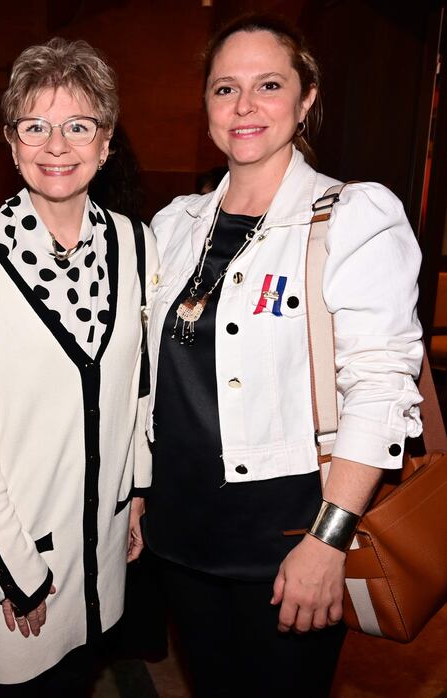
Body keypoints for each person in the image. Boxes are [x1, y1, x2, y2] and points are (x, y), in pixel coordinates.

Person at [144, 14, 423, 698]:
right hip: (180, 537)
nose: (243, 107)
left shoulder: (351, 216)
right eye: (224, 89)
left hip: (288, 540)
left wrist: (329, 540)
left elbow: (382, 389)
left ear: (305, 99)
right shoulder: (172, 226)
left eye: (268, 85)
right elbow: (152, 386)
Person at [0, 37, 157, 694]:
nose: (56, 145)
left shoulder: (135, 243)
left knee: (81, 673)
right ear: (12, 142)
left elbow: (139, 384)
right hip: (18, 546)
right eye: (36, 125)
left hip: (105, 537)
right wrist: (13, 566)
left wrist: (136, 493)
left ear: (106, 141)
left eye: (78, 126)